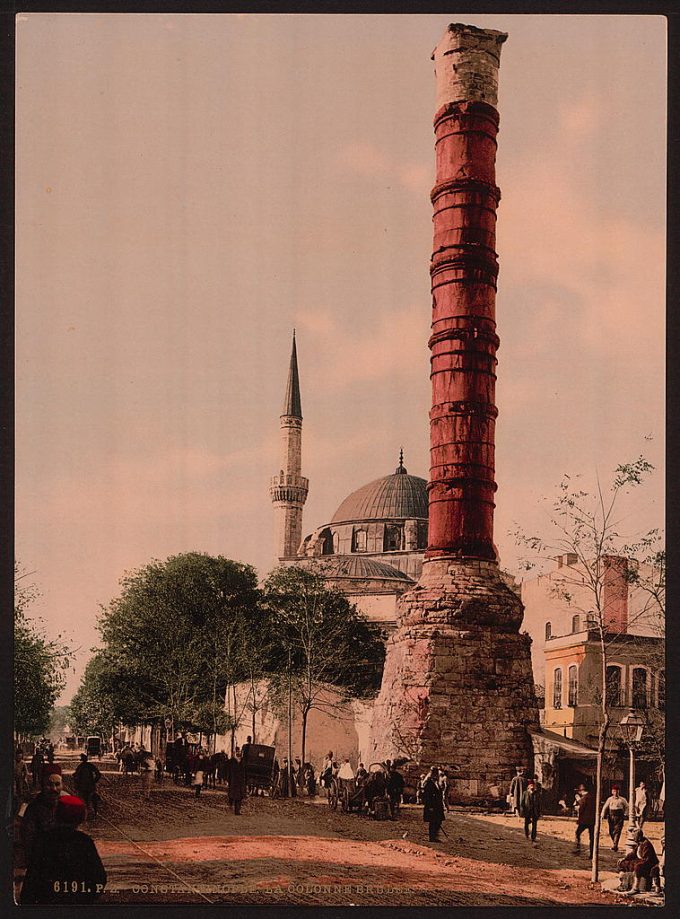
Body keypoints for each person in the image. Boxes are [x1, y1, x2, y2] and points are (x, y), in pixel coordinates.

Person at [20, 795, 106, 904]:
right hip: (77, 904)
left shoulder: (45, 840)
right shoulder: (84, 841)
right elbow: (99, 877)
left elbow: (33, 875)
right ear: (81, 817)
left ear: (56, 814)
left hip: (47, 903)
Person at [20, 765, 66, 866]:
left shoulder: (67, 804)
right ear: (42, 785)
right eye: (49, 784)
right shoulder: (32, 807)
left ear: (62, 785)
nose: (54, 789)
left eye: (57, 784)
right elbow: (27, 838)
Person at [616, 827, 660, 895]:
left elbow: (647, 859)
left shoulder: (646, 844)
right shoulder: (639, 843)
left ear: (639, 837)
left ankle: (635, 888)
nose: (633, 838)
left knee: (638, 867)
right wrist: (624, 859)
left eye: (634, 837)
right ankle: (623, 883)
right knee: (622, 863)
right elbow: (633, 853)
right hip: (641, 861)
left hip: (649, 864)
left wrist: (636, 863)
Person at [73, 753, 102, 819]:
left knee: (84, 800)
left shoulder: (80, 766)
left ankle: (86, 813)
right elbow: (98, 774)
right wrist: (94, 781)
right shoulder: (90, 765)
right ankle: (93, 812)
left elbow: (76, 776)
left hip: (82, 787)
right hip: (90, 786)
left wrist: (76, 783)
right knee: (92, 799)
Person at [601, 785, 628, 851]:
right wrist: (602, 815)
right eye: (614, 791)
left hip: (619, 816)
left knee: (617, 831)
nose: (616, 793)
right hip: (611, 816)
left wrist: (625, 814)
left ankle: (615, 845)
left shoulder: (622, 799)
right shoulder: (609, 799)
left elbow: (627, 807)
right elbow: (605, 807)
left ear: (619, 791)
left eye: (617, 791)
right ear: (612, 792)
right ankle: (615, 843)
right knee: (611, 831)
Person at [422, 766, 445, 842]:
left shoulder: (436, 782)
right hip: (432, 806)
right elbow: (427, 796)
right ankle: (432, 837)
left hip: (437, 806)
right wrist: (430, 806)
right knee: (433, 822)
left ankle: (435, 836)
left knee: (438, 821)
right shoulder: (428, 783)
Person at [572, 783, 595, 858]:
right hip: (592, 820)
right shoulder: (592, 797)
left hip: (584, 820)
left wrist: (578, 802)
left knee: (577, 833)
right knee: (592, 838)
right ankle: (592, 854)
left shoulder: (584, 798)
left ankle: (577, 848)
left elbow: (581, 808)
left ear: (581, 791)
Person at [521, 779, 541, 846]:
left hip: (534, 811)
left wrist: (539, 812)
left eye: (533, 785)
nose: (532, 787)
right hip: (527, 811)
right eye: (531, 785)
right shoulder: (525, 793)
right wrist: (522, 811)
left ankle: (533, 837)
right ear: (528, 786)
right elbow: (522, 803)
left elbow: (539, 804)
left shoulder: (537, 794)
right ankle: (527, 834)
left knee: (534, 825)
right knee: (526, 823)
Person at [228, 749, 246, 814]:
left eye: (240, 752)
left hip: (240, 781)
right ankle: (232, 805)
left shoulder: (242, 762)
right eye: (238, 752)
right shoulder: (232, 761)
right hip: (234, 781)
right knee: (234, 795)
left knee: (239, 796)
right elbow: (230, 771)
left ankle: (237, 810)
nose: (239, 753)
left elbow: (244, 772)